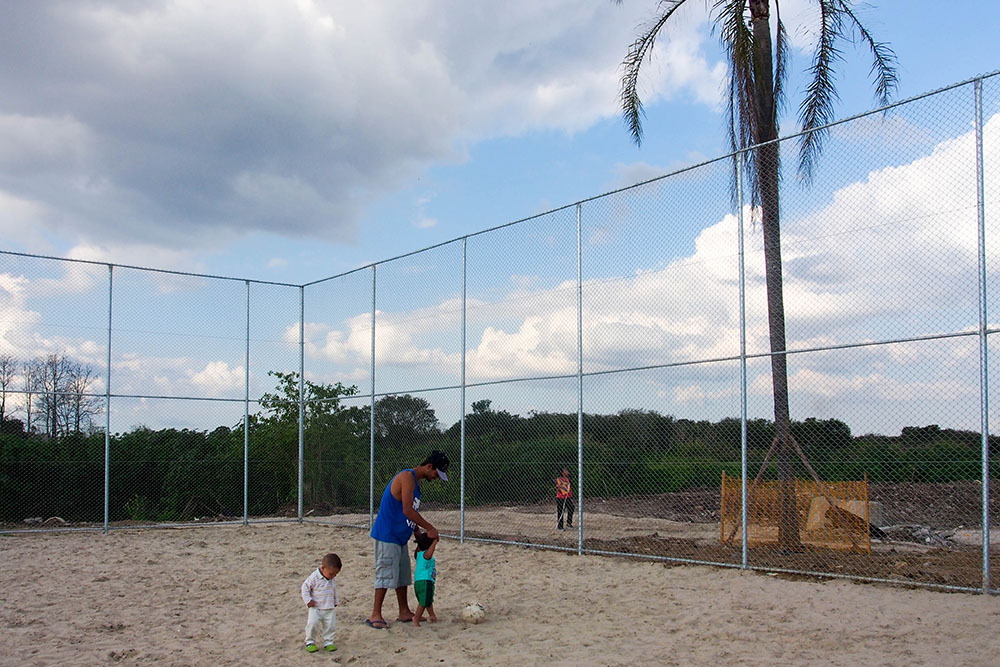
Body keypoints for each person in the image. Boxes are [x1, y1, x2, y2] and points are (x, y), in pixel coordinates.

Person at [365, 450, 450, 629]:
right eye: (436, 473)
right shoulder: (407, 477)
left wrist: (417, 532)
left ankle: (404, 611)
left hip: (400, 536)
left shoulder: (416, 482)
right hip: (387, 534)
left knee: (403, 575)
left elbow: (411, 512)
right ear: (429, 466)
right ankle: (375, 614)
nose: (436, 477)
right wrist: (430, 528)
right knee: (385, 572)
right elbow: (407, 510)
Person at [300, 553, 341, 653]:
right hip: (316, 607)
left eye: (335, 574)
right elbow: (305, 588)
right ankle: (310, 641)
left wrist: (335, 600)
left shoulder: (332, 579)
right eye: (331, 574)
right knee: (312, 624)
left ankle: (328, 642)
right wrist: (308, 600)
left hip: (329, 606)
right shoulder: (314, 577)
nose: (333, 576)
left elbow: (333, 589)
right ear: (323, 568)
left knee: (330, 625)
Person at [411, 529, 439, 627]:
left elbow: (420, 546)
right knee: (423, 603)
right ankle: (416, 618)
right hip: (425, 581)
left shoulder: (418, 554)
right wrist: (434, 542)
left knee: (427, 600)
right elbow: (430, 553)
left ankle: (432, 615)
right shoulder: (425, 555)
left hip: (419, 582)